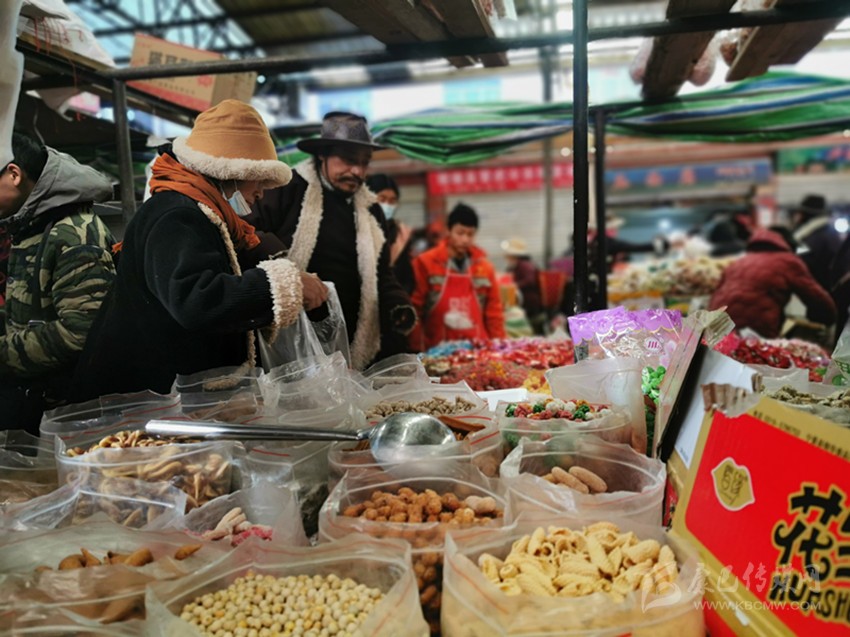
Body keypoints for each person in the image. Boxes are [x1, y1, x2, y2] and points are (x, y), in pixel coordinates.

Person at [71, 100, 327, 400]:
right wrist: (286, 285)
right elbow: (196, 300)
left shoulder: (209, 216)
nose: (261, 192)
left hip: (168, 393)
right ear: (231, 172)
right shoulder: (176, 215)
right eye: (258, 179)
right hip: (139, 399)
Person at [249, 111, 416, 369]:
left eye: (364, 163)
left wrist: (398, 304)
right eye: (349, 160)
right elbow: (248, 237)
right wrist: (288, 272)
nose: (357, 171)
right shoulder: (285, 191)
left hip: (350, 339)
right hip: (293, 336)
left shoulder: (371, 210)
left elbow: (381, 274)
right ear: (322, 155)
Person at [0, 133, 116, 432]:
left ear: (14, 174)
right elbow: (31, 307)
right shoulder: (29, 224)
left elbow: (80, 332)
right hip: (36, 400)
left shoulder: (74, 232)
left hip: (67, 411)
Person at [708, 228, 835, 339]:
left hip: (716, 325)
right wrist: (827, 318)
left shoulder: (741, 260)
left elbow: (717, 293)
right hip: (753, 329)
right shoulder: (788, 261)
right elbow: (815, 296)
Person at [410, 203, 505, 350]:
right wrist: (416, 349)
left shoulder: (485, 268)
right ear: (448, 231)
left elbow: (494, 313)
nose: (465, 239)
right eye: (460, 233)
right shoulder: (425, 263)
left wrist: (500, 348)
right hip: (436, 351)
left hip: (478, 350)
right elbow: (415, 310)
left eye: (470, 234)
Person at [366, 173, 414, 294]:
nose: (387, 205)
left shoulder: (401, 234)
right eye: (382, 199)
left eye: (392, 201)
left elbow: (407, 275)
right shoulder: (359, 229)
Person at [792, 194, 842, 292]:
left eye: (800, 213)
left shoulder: (814, 238)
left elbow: (801, 256)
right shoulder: (824, 233)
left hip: (820, 290)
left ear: (806, 215)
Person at [501, 237, 544, 332]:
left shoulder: (525, 265)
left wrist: (515, 285)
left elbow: (530, 280)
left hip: (530, 304)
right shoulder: (514, 267)